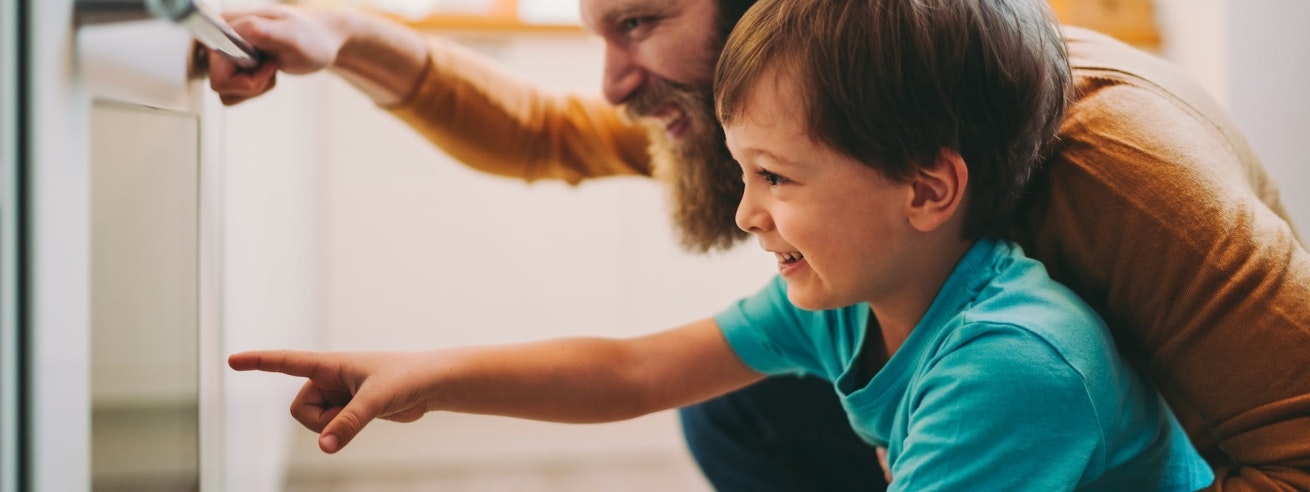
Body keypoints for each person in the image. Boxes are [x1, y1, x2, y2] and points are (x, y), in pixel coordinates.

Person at [210, 0, 1310, 491]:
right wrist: (426, 377)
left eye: (639, 22)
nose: (743, 212)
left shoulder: (1105, 180)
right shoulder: (842, 136)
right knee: (733, 392)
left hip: (1106, 428)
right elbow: (633, 359)